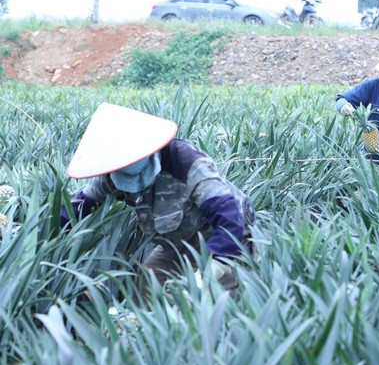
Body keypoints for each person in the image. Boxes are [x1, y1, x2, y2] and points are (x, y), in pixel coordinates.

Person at [61, 103, 256, 295]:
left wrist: (213, 270)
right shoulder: (113, 171)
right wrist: (42, 235)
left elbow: (229, 218)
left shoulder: (187, 163)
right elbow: (80, 206)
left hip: (226, 242)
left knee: (208, 306)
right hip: (178, 244)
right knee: (145, 290)